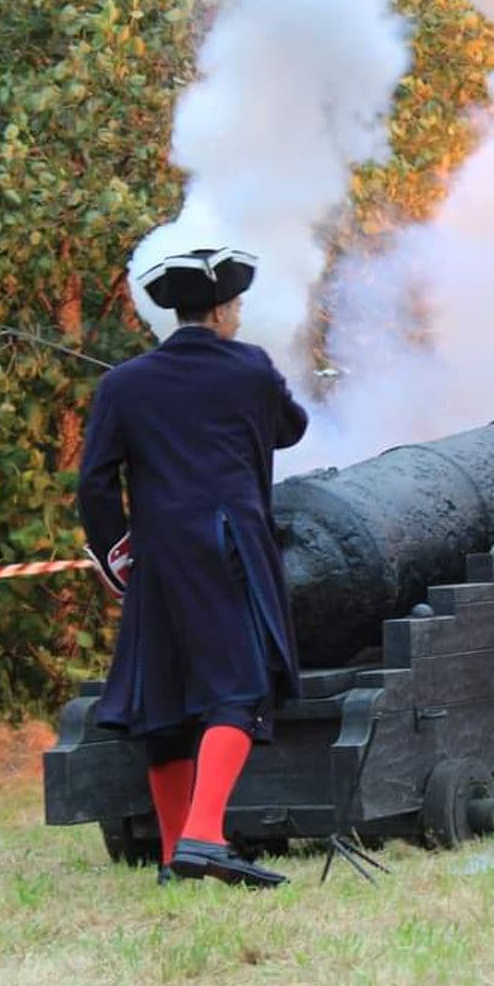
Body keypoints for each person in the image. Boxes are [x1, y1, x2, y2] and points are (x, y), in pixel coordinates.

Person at [77, 247, 308, 888]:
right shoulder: (249, 368)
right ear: (224, 310)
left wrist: (119, 553)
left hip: (157, 557)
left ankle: (176, 855)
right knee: (241, 691)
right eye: (235, 308)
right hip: (230, 550)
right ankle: (205, 836)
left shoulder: (124, 383)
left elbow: (95, 485)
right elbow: (292, 429)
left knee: (167, 703)